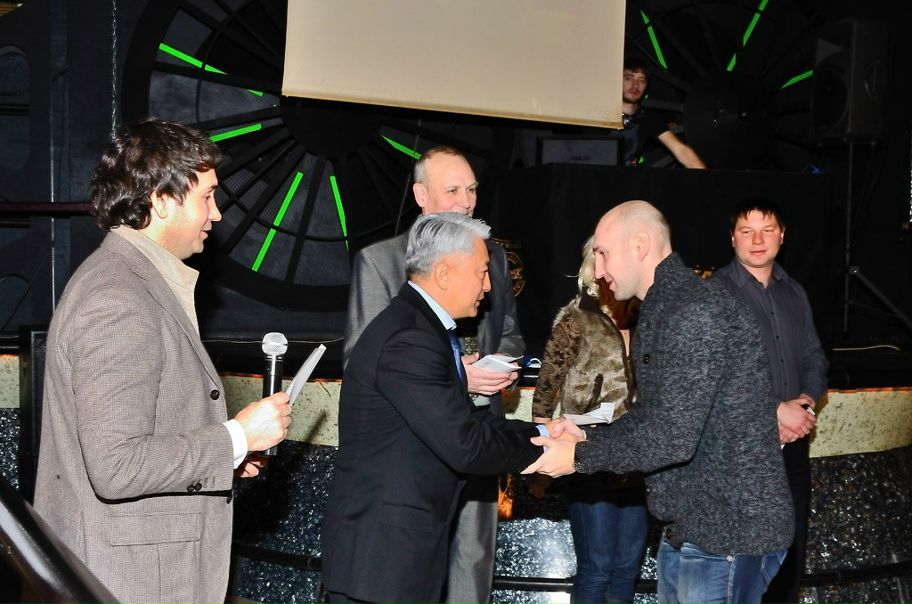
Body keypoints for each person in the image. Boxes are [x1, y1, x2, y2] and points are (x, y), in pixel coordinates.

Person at [33, 117, 292, 604]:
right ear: (161, 200)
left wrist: (227, 458)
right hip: (131, 581)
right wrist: (236, 437)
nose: (217, 214)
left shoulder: (127, 281)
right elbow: (116, 465)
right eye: (207, 197)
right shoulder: (120, 298)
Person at [524, 200, 794, 604]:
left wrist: (580, 456)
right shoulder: (664, 308)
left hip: (729, 533)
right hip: (691, 527)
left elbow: (672, 437)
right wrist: (586, 434)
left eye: (603, 253)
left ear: (640, 244)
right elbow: (654, 418)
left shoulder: (693, 312)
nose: (598, 270)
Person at [322, 212, 572, 604]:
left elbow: (463, 422)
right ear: (443, 273)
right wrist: (544, 449)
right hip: (381, 563)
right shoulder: (410, 339)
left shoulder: (420, 329)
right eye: (482, 272)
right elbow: (465, 444)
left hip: (392, 557)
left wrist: (543, 431)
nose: (488, 286)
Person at [343, 145, 524, 604]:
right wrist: (459, 374)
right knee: (414, 563)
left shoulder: (493, 258)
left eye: (472, 190)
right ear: (421, 196)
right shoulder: (380, 260)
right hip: (416, 449)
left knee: (473, 555)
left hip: (482, 430)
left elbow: (510, 333)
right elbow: (364, 360)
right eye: (453, 190)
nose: (466, 201)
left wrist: (502, 365)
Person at [711, 199, 828, 604]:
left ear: (782, 235)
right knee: (742, 566)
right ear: (732, 238)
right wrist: (776, 409)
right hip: (739, 448)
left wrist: (805, 406)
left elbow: (814, 357)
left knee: (789, 557)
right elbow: (716, 371)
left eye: (767, 230)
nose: (757, 240)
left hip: (793, 445)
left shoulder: (795, 292)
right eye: (747, 231)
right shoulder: (715, 294)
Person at [530, 236, 647, 604]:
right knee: (597, 566)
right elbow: (545, 390)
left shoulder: (650, 318)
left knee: (627, 566)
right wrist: (540, 463)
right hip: (587, 457)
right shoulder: (575, 320)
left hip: (637, 459)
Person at [621, 58, 706, 169]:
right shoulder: (600, 113)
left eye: (641, 80)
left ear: (646, 85)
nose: (635, 86)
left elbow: (681, 151)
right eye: (629, 78)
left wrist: (708, 178)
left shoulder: (648, 117)